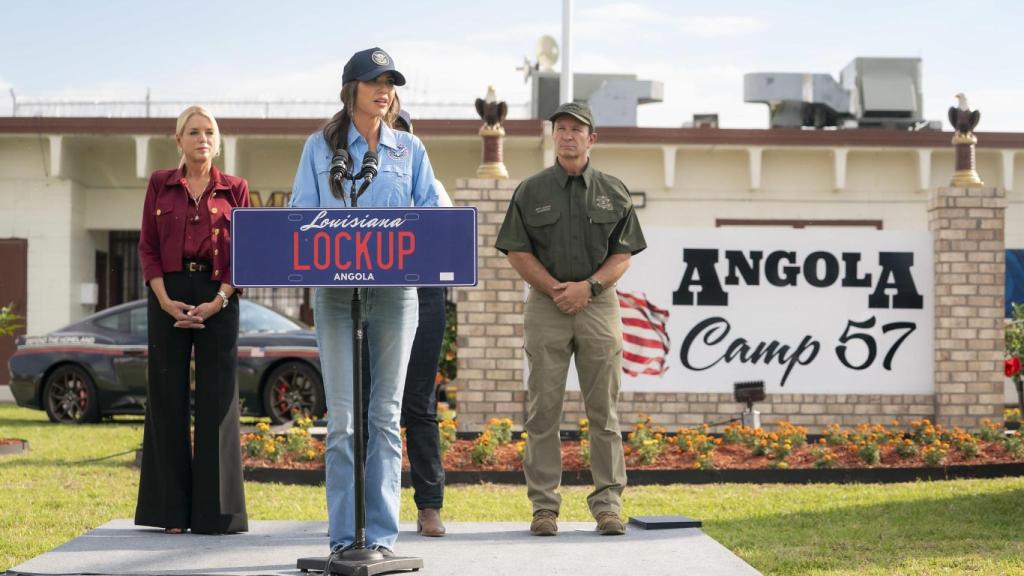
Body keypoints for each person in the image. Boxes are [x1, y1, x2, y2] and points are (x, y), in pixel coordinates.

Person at [289, 47, 439, 559]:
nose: (385, 89)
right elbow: (299, 216)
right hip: (335, 297)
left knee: (383, 416)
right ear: (351, 88)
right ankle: (341, 540)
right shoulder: (318, 146)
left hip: (396, 296)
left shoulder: (410, 149)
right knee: (343, 422)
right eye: (375, 80)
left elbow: (433, 215)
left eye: (391, 82)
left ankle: (380, 538)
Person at [495, 102, 647, 537]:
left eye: (576, 130)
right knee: (544, 410)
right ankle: (544, 508)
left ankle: (608, 506)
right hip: (547, 304)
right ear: (553, 138)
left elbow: (622, 256)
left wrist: (590, 288)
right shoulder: (531, 190)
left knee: (605, 411)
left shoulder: (614, 191)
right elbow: (517, 251)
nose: (567, 136)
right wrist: (555, 289)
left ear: (591, 139)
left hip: (599, 305)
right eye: (560, 129)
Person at [135, 105, 249, 534]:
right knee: (166, 397)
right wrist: (164, 300)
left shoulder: (236, 188)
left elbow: (245, 254)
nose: (203, 139)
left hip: (219, 295)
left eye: (210, 133)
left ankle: (217, 514)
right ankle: (170, 513)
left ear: (217, 142)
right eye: (194, 132)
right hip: (169, 294)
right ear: (178, 140)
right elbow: (147, 247)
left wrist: (219, 299)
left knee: (218, 400)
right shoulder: (159, 185)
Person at [360, 109, 449, 537]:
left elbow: (449, 247)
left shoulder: (436, 191)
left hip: (424, 297)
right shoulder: (360, 187)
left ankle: (429, 506)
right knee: (367, 403)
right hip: (368, 297)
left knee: (418, 402)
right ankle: (364, 510)